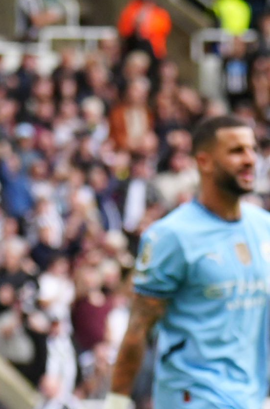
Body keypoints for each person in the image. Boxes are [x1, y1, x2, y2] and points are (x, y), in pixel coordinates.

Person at [105, 115, 270, 409]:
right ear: (204, 161)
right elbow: (139, 328)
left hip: (250, 397)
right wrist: (116, 401)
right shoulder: (172, 236)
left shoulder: (264, 227)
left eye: (252, 149)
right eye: (236, 151)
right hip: (194, 397)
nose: (250, 159)